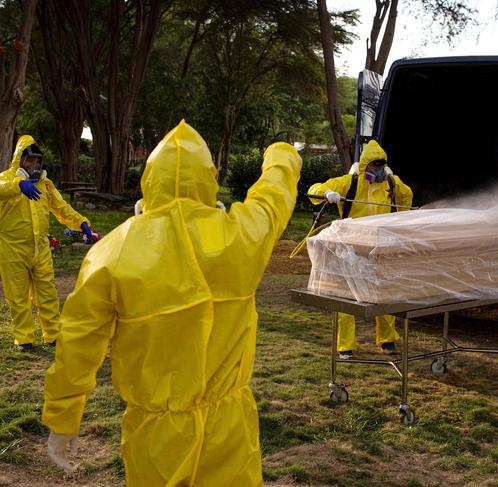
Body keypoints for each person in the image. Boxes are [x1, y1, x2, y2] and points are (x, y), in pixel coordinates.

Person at [42, 120, 301, 485]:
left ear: (149, 180)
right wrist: (281, 154)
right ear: (209, 179)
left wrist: (62, 416)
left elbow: (78, 341)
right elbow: (273, 198)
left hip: (155, 436)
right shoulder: (242, 236)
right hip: (229, 430)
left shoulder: (111, 253)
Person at [308, 140, 413, 359]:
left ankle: (387, 341)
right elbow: (313, 190)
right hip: (351, 247)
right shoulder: (350, 182)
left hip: (381, 246)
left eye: (381, 164)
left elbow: (407, 196)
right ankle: (345, 346)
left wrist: (400, 217)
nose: (378, 169)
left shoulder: (391, 183)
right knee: (347, 296)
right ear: (365, 166)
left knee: (384, 293)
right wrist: (327, 193)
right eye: (374, 165)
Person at [0, 135, 92, 352]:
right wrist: (18, 185)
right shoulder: (6, 179)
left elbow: (62, 208)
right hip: (12, 247)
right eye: (30, 161)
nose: (34, 165)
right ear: (20, 160)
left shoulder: (45, 184)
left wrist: (81, 223)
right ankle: (24, 339)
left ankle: (53, 335)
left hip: (40, 247)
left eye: (37, 161)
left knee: (48, 293)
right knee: (18, 296)